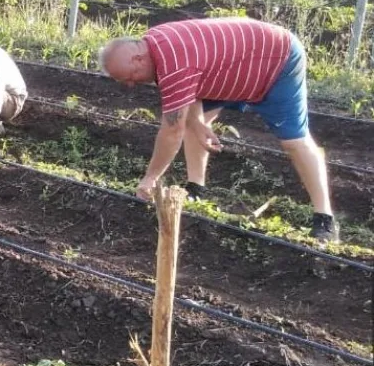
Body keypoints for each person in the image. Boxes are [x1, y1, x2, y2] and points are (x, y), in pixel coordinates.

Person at [99, 18, 338, 242]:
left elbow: (172, 131)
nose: (131, 85)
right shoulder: (155, 44)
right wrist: (198, 123)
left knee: (294, 141)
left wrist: (151, 177)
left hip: (276, 59)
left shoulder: (172, 62)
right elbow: (188, 85)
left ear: (138, 59)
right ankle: (195, 189)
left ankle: (325, 219)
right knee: (195, 124)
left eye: (130, 77)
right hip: (232, 66)